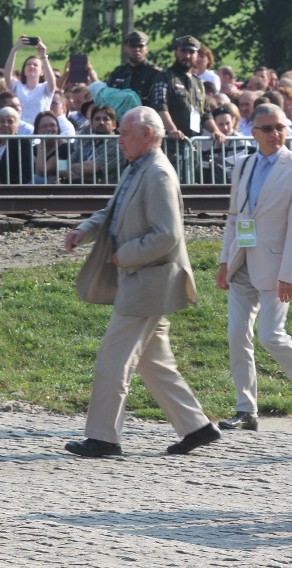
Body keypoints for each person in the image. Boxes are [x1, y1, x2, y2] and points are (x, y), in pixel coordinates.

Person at [63, 106, 220, 457]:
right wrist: (83, 230)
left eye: (124, 133)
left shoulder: (158, 174)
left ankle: (104, 437)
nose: (118, 140)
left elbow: (166, 235)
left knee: (112, 359)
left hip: (148, 282)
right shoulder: (140, 168)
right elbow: (113, 211)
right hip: (143, 281)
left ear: (147, 134)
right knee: (155, 363)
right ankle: (197, 427)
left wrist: (126, 254)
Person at [215, 104, 292, 432]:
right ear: (254, 132)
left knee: (270, 335)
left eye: (280, 127)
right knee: (237, 334)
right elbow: (235, 216)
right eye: (267, 128)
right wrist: (225, 260)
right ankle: (245, 409)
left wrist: (290, 274)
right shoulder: (243, 165)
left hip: (277, 264)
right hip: (242, 261)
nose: (275, 134)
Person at [150, 35, 226, 176]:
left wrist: (216, 131)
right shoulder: (165, 77)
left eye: (191, 52)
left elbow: (205, 113)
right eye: (183, 51)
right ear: (176, 52)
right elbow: (160, 106)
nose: (187, 55)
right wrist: (172, 130)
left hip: (193, 145)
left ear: (197, 55)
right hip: (171, 146)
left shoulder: (198, 83)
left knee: (193, 187)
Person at [4, 36, 57, 125]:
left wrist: (43, 55)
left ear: (42, 72)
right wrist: (14, 50)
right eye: (28, 64)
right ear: (24, 71)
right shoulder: (17, 86)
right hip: (20, 132)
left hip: (39, 132)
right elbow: (7, 76)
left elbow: (52, 82)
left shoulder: (44, 88)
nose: (31, 66)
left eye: (35, 65)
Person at [67, 104, 123, 184]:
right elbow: (66, 166)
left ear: (114, 125)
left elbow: (90, 168)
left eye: (106, 119)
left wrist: (72, 168)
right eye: (97, 119)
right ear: (91, 124)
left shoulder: (117, 145)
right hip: (81, 188)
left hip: (105, 192)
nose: (101, 122)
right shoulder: (86, 141)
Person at [106, 31, 161, 107]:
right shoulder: (118, 73)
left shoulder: (156, 74)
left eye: (140, 46)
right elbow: (107, 97)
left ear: (146, 49)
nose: (137, 49)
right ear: (125, 48)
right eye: (133, 46)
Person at [32, 110, 70, 184]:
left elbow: (43, 172)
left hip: (60, 183)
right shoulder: (33, 149)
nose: (49, 129)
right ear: (37, 130)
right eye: (44, 126)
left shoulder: (64, 147)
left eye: (52, 125)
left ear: (58, 128)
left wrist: (42, 147)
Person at [0, 107, 33, 184]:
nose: (5, 124)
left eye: (10, 122)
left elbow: (25, 175)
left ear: (17, 127)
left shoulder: (21, 143)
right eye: (1, 121)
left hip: (9, 189)